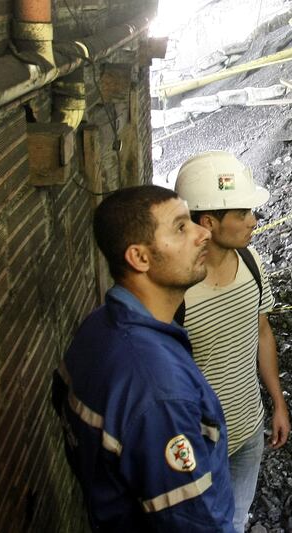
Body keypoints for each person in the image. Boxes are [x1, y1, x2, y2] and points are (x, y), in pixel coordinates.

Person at [51, 185, 235, 531]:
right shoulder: (157, 388)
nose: (203, 232)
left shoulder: (97, 327)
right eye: (181, 227)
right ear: (140, 258)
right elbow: (193, 521)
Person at [174, 150, 291, 533]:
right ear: (208, 222)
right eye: (242, 214)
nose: (253, 221)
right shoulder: (176, 293)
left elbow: (261, 332)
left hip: (249, 431)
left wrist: (276, 401)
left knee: (236, 522)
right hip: (199, 446)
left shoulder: (252, 263)